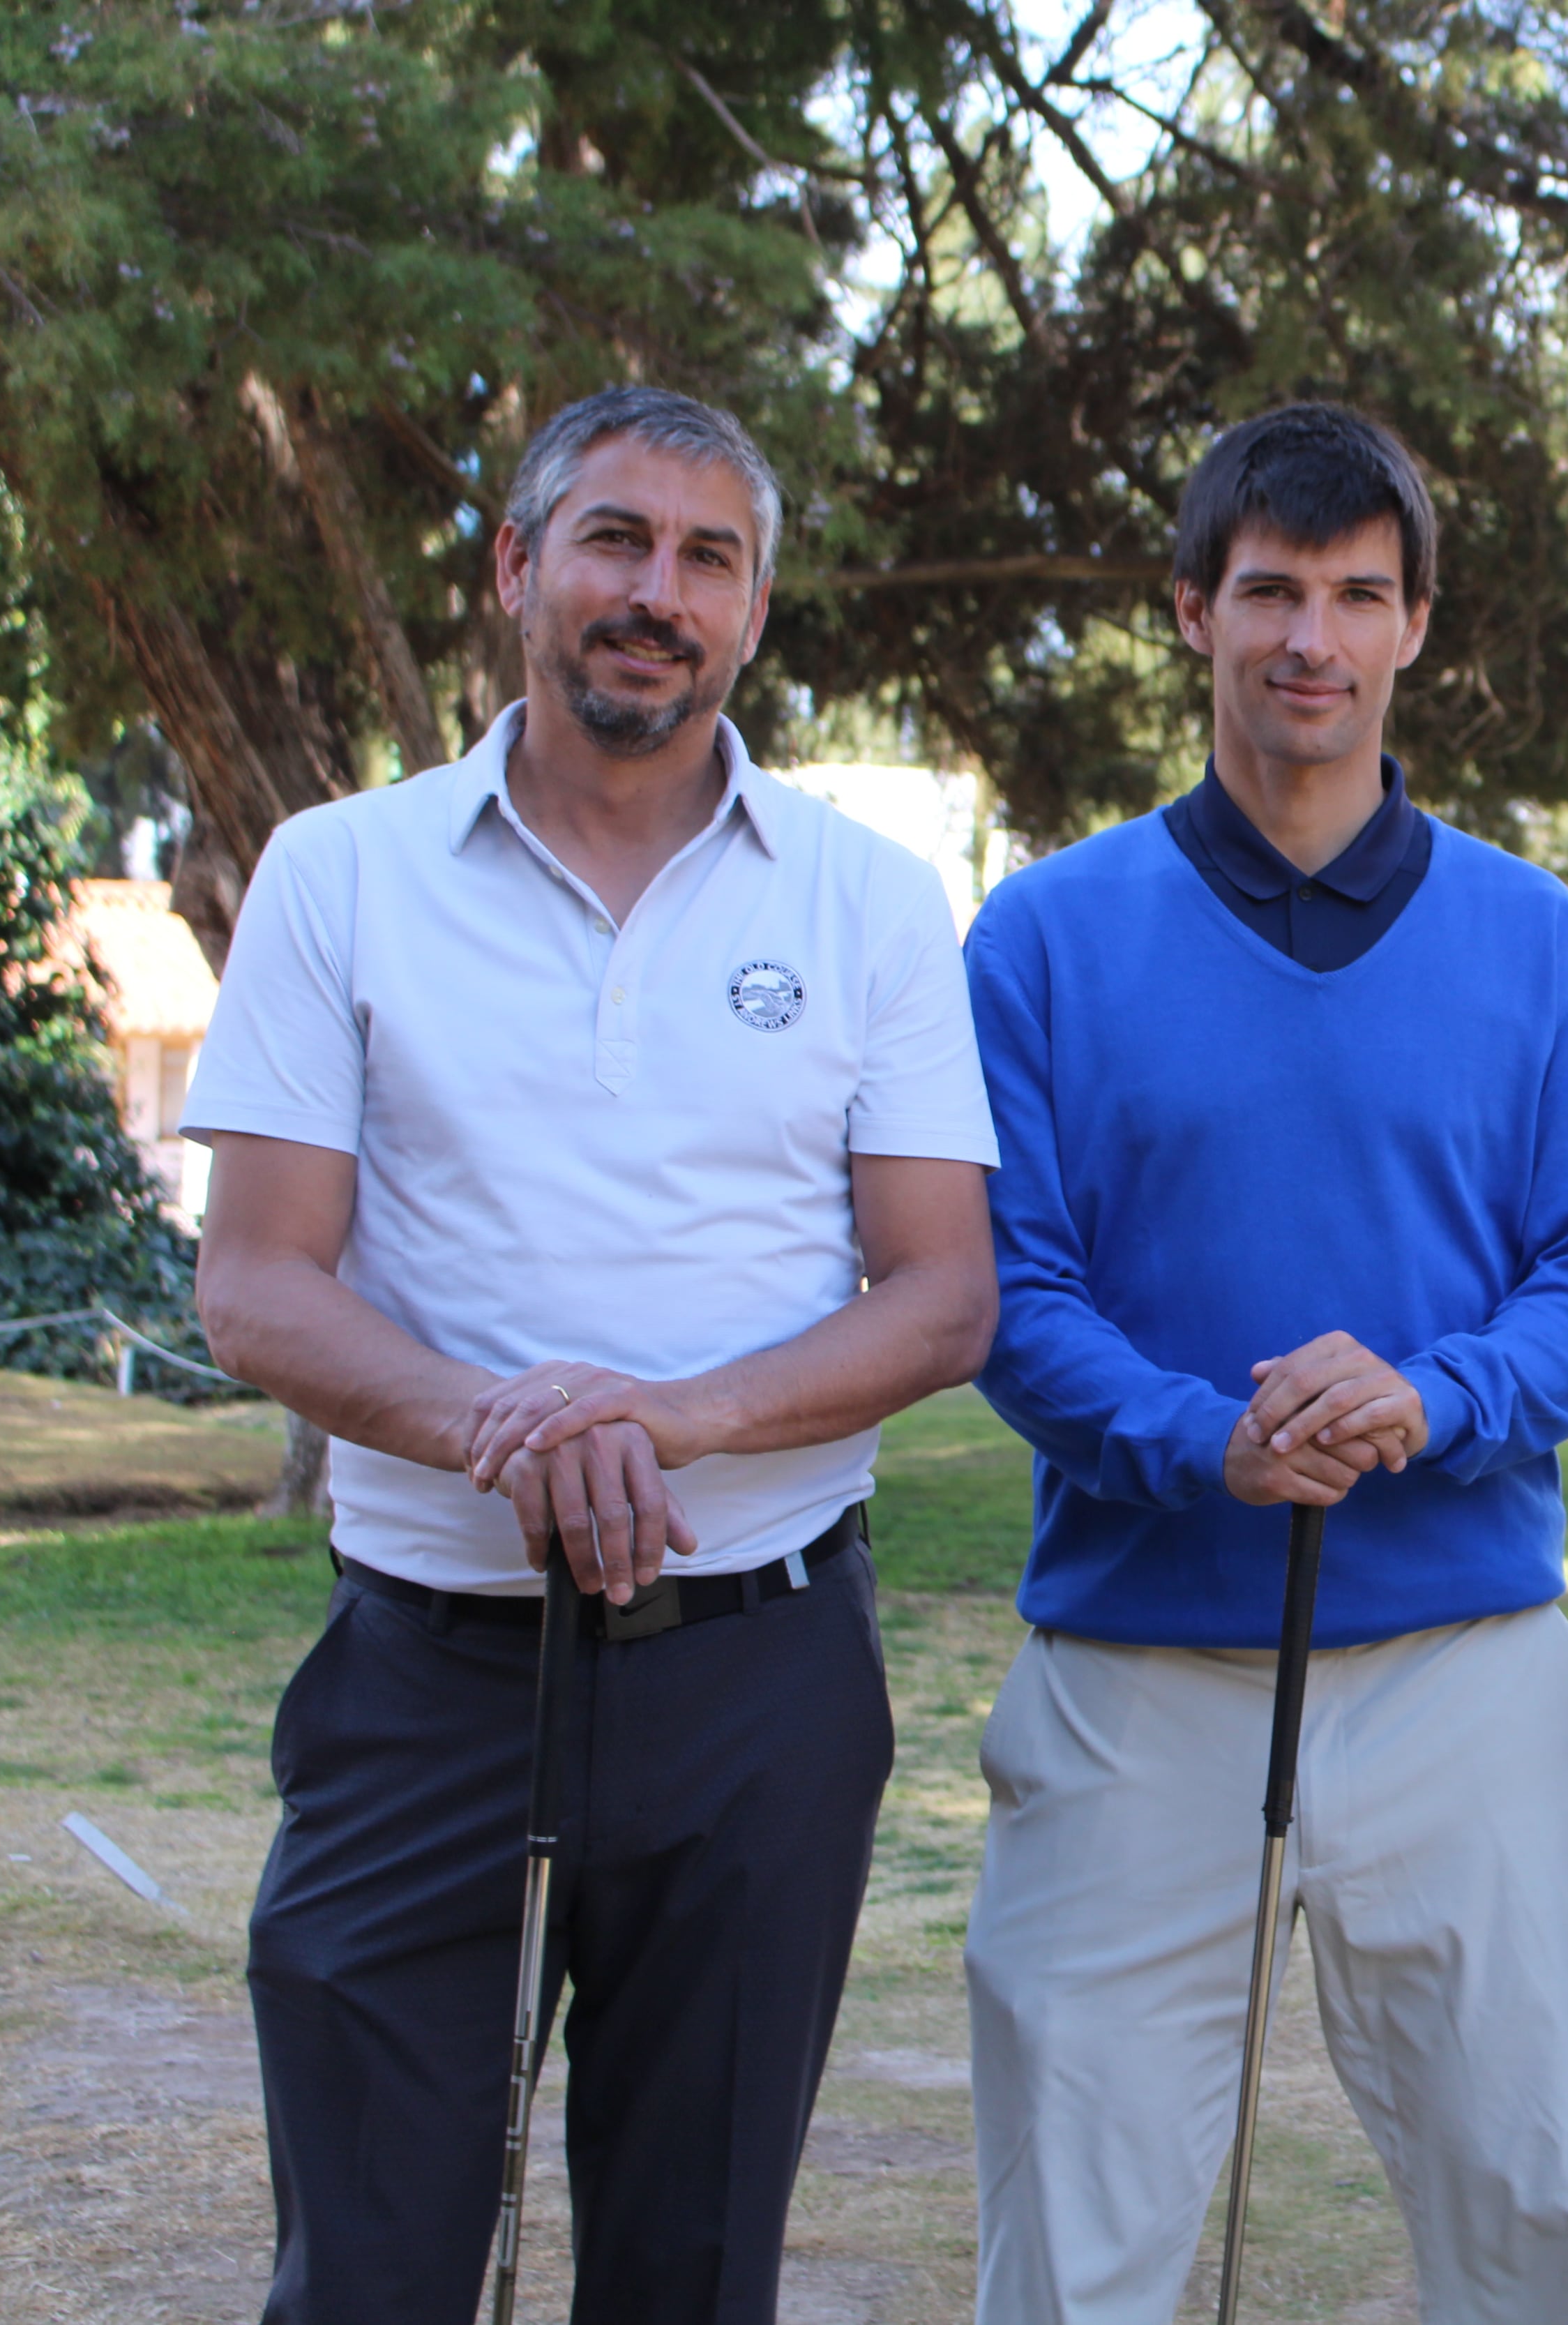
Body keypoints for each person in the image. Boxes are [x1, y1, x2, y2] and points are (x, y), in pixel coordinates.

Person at [185, 385, 1002, 2324]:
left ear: (756, 609)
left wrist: (670, 1421)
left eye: (710, 558)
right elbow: (258, 1285)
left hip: (761, 1684)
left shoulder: (867, 899)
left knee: (689, 2275)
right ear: (516, 569)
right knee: (369, 2271)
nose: (660, 592)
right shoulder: (340, 870)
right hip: (427, 1677)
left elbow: (941, 1292)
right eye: (616, 540)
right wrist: (509, 1431)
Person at [958, 401, 1568, 2323]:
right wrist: (1205, 1442)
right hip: (1133, 1666)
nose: (1311, 640)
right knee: (1077, 2237)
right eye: (1270, 589)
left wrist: (1436, 1394)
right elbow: (1006, 1291)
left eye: (1360, 594)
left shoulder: (1533, 942)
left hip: (1464, 1666)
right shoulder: (1041, 937)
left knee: (1528, 2213)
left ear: (1418, 623)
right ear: (1192, 609)